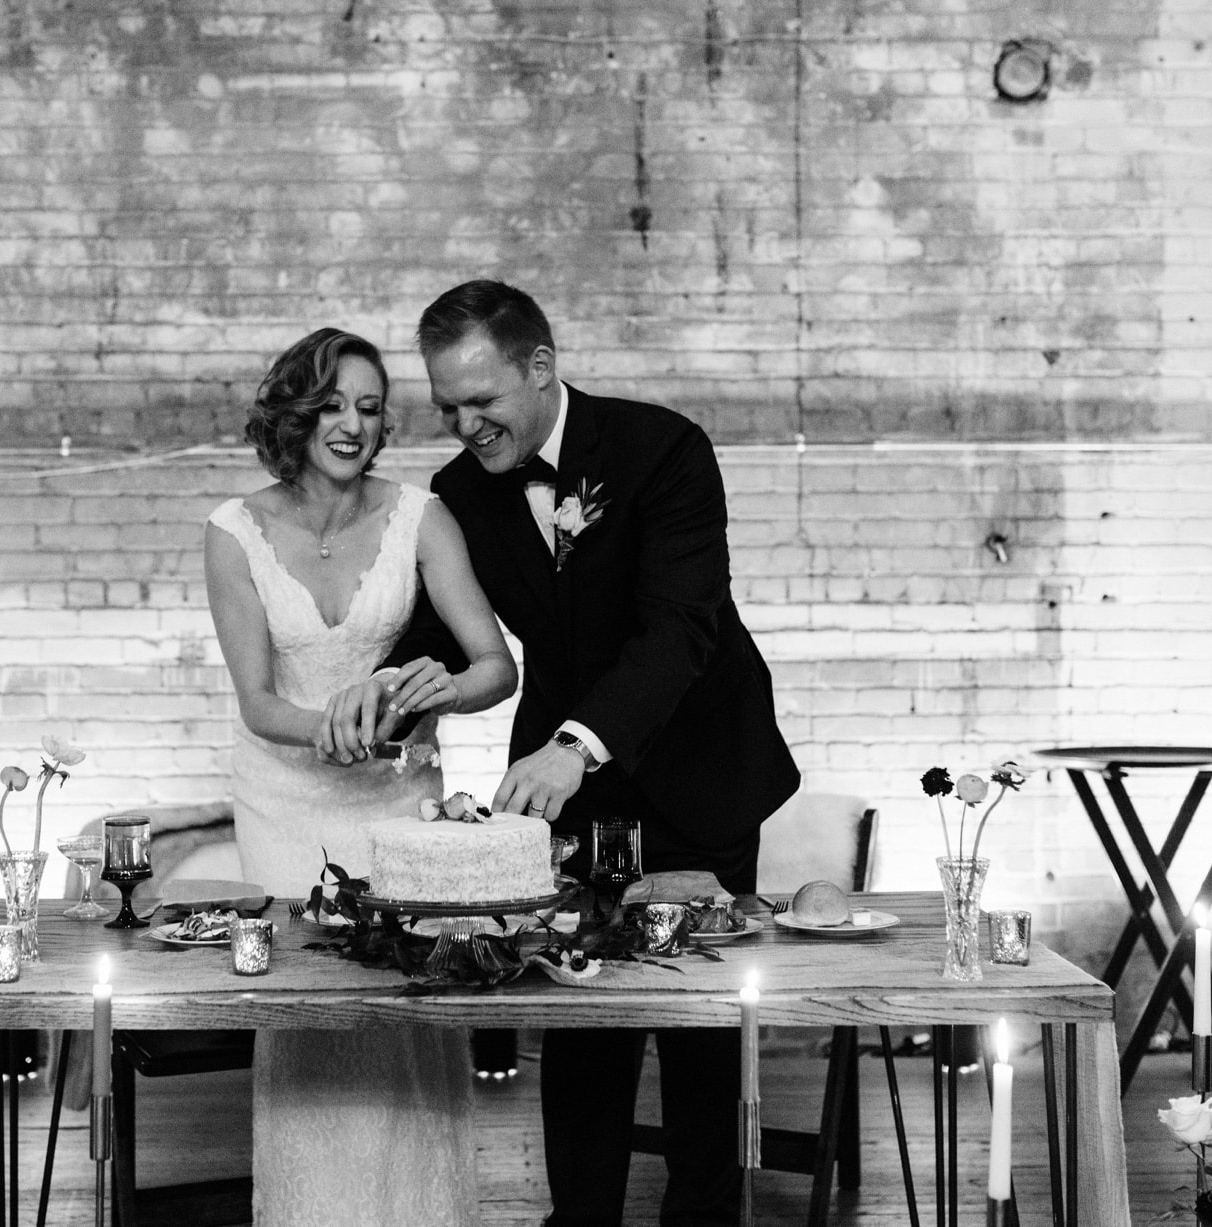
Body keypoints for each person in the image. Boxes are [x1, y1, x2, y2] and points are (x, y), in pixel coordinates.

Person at [339, 281, 802, 1227]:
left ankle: (705, 1219)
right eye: (449, 406)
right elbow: (442, 625)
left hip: (696, 770)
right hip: (569, 801)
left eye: (484, 400)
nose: (466, 425)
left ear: (541, 368)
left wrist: (575, 744)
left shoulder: (663, 448)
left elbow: (680, 629)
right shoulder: (465, 492)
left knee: (703, 1032)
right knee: (580, 1021)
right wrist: (387, 689)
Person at [203, 326, 517, 1227]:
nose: (352, 423)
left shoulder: (422, 516)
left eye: (371, 408)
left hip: (397, 801)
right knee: (306, 1017)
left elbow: (496, 665)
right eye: (334, 404)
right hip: (282, 802)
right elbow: (260, 703)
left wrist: (436, 691)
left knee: (409, 1009)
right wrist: (333, 724)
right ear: (296, 413)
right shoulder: (233, 532)